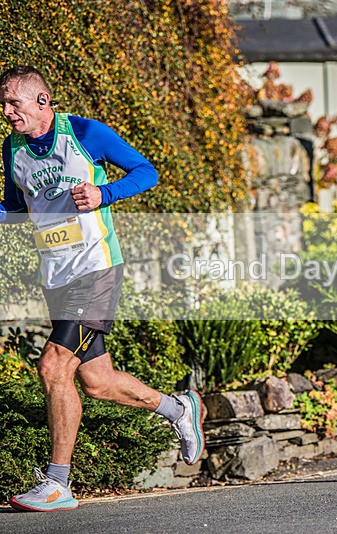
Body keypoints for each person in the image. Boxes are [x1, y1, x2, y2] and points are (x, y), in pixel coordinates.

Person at [0, 66, 205, 512]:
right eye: (3, 104)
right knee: (96, 381)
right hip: (56, 275)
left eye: (14, 103)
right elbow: (14, 208)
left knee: (54, 367)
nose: (7, 112)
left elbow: (146, 172)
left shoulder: (85, 133)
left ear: (43, 101)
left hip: (96, 269)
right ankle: (179, 409)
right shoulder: (11, 149)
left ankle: (58, 483)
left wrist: (103, 194)